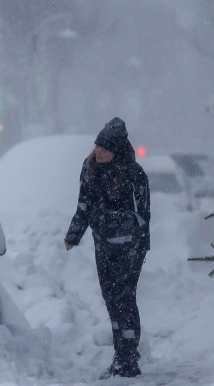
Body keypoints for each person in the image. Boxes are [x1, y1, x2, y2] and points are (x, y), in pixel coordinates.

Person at [64, 117, 151, 378]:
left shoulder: (135, 174)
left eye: (104, 148)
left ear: (116, 152)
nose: (98, 151)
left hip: (129, 248)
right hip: (103, 244)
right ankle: (122, 353)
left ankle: (128, 360)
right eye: (97, 146)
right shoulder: (89, 168)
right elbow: (83, 205)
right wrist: (74, 235)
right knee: (111, 299)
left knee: (125, 299)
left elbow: (144, 215)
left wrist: (140, 244)